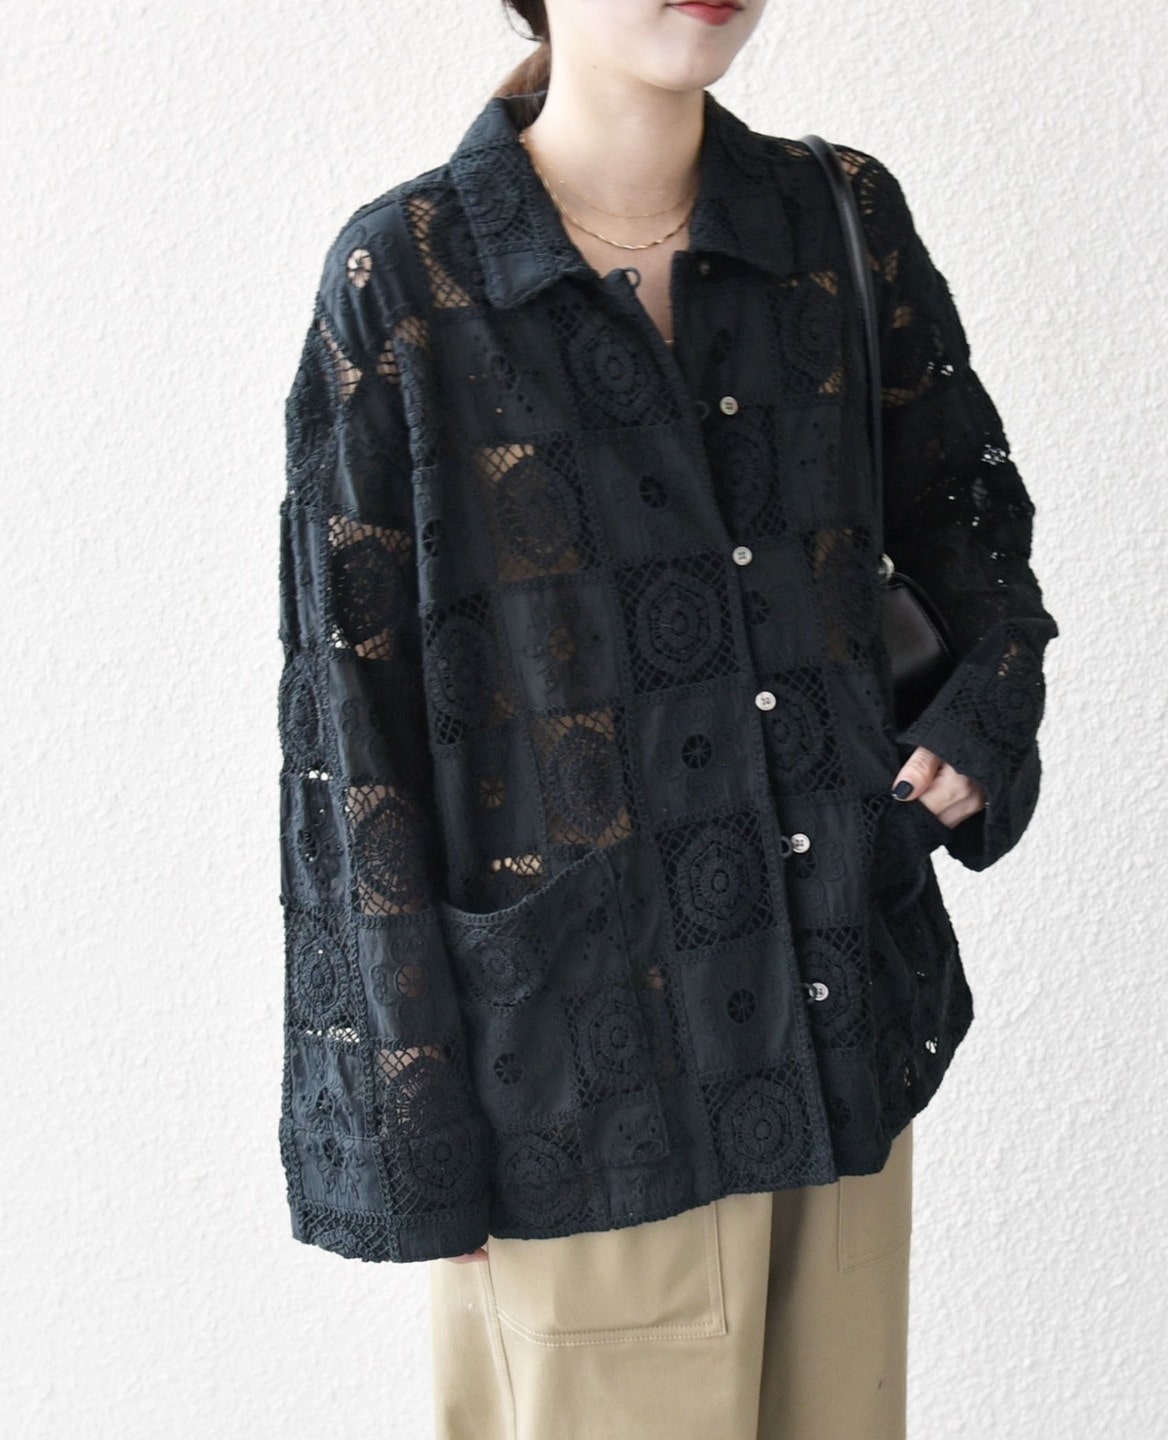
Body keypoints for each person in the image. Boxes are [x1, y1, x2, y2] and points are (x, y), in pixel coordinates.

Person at [275, 2, 1058, 1435]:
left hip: (835, 1022)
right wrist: (413, 1132)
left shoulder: (838, 218)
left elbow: (967, 520)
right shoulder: (409, 281)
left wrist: (981, 714)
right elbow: (350, 727)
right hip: (579, 1083)